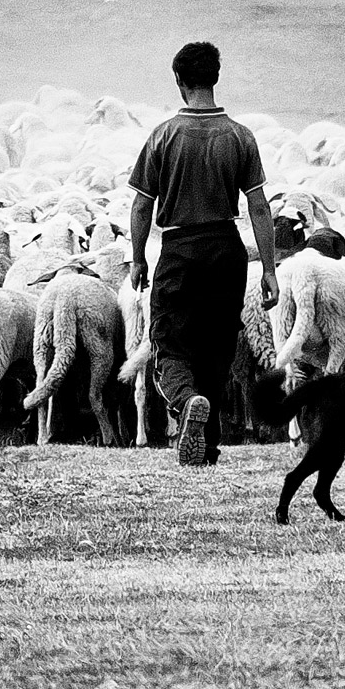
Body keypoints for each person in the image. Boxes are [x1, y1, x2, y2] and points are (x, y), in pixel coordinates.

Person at [125, 40, 278, 466]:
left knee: (170, 345)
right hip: (227, 250)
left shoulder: (163, 136)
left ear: (179, 81)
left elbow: (141, 205)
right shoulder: (240, 135)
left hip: (179, 250)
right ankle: (206, 448)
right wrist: (268, 269)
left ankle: (186, 400)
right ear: (215, 77)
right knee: (216, 348)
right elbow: (259, 205)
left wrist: (138, 258)